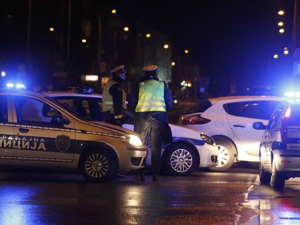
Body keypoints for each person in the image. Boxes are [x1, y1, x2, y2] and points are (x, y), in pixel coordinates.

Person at [129, 64, 173, 181]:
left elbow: (132, 101)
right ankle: (155, 175)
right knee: (156, 148)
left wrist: (136, 113)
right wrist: (162, 112)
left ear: (145, 74)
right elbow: (169, 103)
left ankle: (140, 173)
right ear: (155, 74)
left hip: (142, 117)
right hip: (158, 117)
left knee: (140, 146)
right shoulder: (162, 86)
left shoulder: (139, 85)